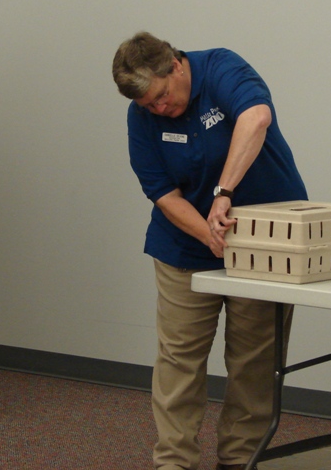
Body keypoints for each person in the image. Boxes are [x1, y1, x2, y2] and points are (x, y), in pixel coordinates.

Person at [112, 31, 308, 470]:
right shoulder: (141, 115)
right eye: (148, 106)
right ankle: (174, 461)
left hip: (263, 240)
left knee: (254, 359)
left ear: (175, 66)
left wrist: (224, 193)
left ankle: (240, 459)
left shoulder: (221, 68)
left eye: (162, 96)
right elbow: (161, 191)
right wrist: (208, 234)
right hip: (185, 245)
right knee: (178, 359)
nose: (158, 109)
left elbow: (257, 117)